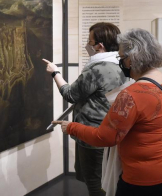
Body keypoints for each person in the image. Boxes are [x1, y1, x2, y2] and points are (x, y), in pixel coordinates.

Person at [53, 28, 162, 196]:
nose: (120, 61)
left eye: (122, 57)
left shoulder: (130, 95)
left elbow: (105, 138)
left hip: (144, 179)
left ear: (131, 58)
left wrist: (71, 127)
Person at [43, 22, 127, 196]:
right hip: (112, 131)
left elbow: (71, 94)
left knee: (95, 182)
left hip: (92, 134)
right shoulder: (122, 65)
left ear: (100, 45)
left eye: (90, 41)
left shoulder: (97, 69)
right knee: (108, 180)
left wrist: (55, 72)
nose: (88, 45)